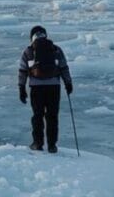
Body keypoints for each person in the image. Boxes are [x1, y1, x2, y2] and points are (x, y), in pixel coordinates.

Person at [18, 25, 73, 153]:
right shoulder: (56, 49)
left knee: (38, 116)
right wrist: (68, 83)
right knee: (52, 116)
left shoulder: (29, 50)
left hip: (36, 88)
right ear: (45, 35)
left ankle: (37, 143)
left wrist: (21, 88)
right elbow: (64, 67)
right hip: (54, 87)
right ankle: (52, 145)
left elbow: (22, 71)